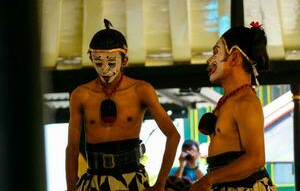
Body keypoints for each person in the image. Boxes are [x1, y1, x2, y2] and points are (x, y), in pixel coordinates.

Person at [65, 19, 180, 191]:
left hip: (132, 178)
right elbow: (72, 148)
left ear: (124, 60)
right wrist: (70, 188)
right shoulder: (80, 95)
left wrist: (161, 182)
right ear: (91, 59)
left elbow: (173, 135)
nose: (104, 69)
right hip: (93, 179)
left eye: (111, 62)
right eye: (98, 62)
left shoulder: (141, 90)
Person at [191, 22, 277, 191]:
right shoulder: (227, 101)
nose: (209, 60)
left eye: (216, 52)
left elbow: (256, 158)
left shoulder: (247, 102)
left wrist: (208, 180)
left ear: (235, 57)